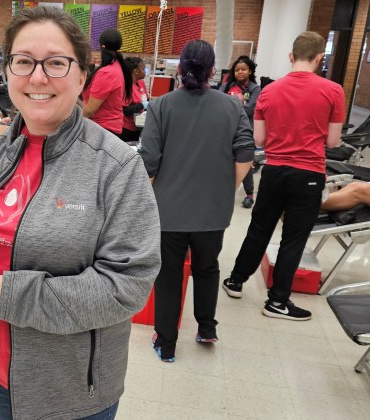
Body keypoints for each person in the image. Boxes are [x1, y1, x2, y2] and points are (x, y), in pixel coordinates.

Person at [0, 6, 160, 420]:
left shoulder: (116, 166)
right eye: (23, 61)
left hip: (71, 392)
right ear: (8, 69)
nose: (37, 77)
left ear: (82, 75)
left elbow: (129, 282)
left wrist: (14, 297)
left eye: (55, 63)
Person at [140, 40, 255, 362]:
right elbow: (246, 152)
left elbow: (149, 161)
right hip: (213, 212)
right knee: (207, 268)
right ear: (213, 70)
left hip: (168, 212)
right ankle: (206, 328)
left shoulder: (161, 106)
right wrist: (227, 187)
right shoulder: (231, 106)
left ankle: (166, 343)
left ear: (180, 67)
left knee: (168, 274)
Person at [222, 31, 345, 321]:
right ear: (319, 58)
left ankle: (236, 281)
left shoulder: (268, 91)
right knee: (293, 238)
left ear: (291, 57)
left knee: (260, 228)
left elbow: (260, 139)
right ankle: (277, 302)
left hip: (275, 171)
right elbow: (334, 143)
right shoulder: (333, 90)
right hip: (309, 174)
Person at [221, 55, 261, 208]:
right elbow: (218, 104)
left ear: (250, 71)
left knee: (245, 162)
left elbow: (250, 110)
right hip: (226, 129)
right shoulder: (227, 86)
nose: (240, 72)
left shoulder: (255, 89)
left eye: (243, 69)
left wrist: (230, 107)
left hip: (244, 131)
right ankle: (226, 191)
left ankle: (249, 194)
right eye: (237, 70)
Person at [82, 29, 132, 135]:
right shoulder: (117, 66)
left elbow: (90, 110)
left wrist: (69, 121)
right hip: (108, 129)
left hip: (101, 130)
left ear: (101, 46)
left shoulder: (106, 73)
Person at [119, 57, 148, 143]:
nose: (145, 71)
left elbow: (146, 98)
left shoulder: (141, 83)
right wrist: (142, 105)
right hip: (126, 128)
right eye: (143, 69)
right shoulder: (126, 86)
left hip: (139, 126)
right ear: (136, 71)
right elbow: (124, 111)